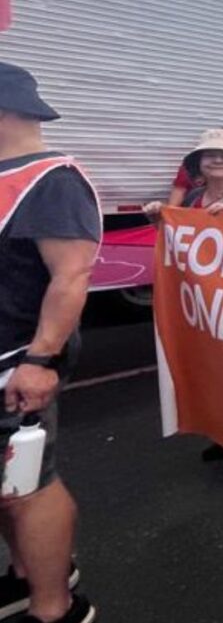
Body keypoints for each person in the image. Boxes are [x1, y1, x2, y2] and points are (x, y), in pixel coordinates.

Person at [0, 63, 98, 623]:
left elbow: (71, 277)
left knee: (29, 484)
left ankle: (55, 607)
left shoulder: (50, 180)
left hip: (18, 362)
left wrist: (40, 359)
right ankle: (24, 575)